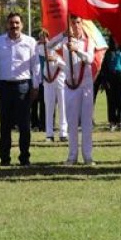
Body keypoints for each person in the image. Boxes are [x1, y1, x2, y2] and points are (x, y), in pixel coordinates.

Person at [0, 12, 40, 167]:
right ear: (7, 24)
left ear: (22, 25)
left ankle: (24, 158)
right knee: (5, 126)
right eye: (11, 22)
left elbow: (35, 65)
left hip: (23, 87)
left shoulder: (31, 42)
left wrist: (36, 85)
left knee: (24, 126)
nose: (14, 25)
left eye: (17, 22)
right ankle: (4, 159)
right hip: (4, 87)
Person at [51, 15, 96, 165]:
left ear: (82, 24)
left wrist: (77, 50)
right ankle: (72, 156)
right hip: (70, 86)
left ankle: (88, 156)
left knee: (86, 122)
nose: (76, 26)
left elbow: (89, 59)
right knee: (71, 122)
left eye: (78, 22)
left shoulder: (88, 40)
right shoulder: (65, 40)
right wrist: (62, 35)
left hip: (86, 86)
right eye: (73, 23)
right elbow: (48, 46)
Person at [38, 29, 67, 142]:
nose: (43, 39)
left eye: (46, 37)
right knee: (49, 108)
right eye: (41, 37)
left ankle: (63, 133)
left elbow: (66, 68)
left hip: (60, 82)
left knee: (62, 107)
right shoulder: (40, 49)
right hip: (48, 83)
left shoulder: (56, 53)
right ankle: (49, 134)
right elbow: (46, 47)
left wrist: (57, 60)